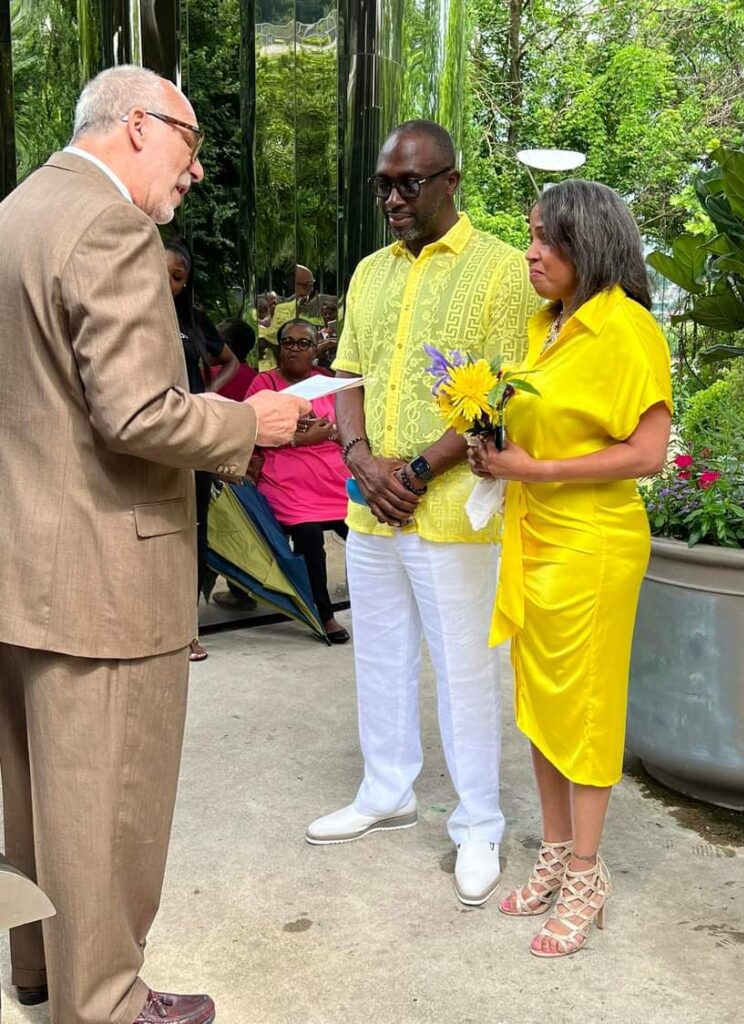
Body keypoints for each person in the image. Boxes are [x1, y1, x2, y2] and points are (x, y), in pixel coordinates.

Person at [0, 64, 308, 1024]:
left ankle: (45, 972)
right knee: (108, 805)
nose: (197, 171)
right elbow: (136, 411)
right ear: (138, 125)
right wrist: (247, 428)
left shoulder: (16, 212)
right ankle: (107, 1002)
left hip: (20, 561)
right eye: (191, 142)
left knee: (39, 796)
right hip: (101, 568)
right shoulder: (111, 226)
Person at [306, 120, 539, 907]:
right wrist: (360, 459)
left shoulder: (504, 271)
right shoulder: (371, 271)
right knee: (379, 653)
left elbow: (503, 385)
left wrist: (413, 470)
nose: (394, 199)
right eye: (384, 185)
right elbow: (347, 373)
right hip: (371, 507)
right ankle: (386, 790)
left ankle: (479, 824)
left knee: (467, 671)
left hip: (449, 513)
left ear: (451, 180)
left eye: (410, 184)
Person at [468, 180, 672, 958]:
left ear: (588, 244)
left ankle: (586, 873)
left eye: (545, 239)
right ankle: (556, 851)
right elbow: (537, 431)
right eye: (528, 235)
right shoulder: (545, 326)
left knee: (583, 711)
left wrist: (533, 471)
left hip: (592, 545)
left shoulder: (627, 330)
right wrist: (491, 443)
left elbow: (646, 454)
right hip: (535, 538)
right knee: (542, 705)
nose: (530, 252)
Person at [244, 319, 351, 643]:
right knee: (308, 535)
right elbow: (249, 430)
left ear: (316, 349)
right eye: (288, 342)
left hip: (333, 478)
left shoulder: (327, 383)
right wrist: (297, 439)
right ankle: (323, 612)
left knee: (365, 529)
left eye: (303, 343)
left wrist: (329, 432)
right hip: (286, 479)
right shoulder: (264, 384)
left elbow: (345, 425)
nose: (294, 348)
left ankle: (375, 603)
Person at [164, 238, 241, 661]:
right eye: (161, 272)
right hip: (153, 439)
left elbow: (231, 361)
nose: (167, 283)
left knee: (192, 529)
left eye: (177, 277)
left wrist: (207, 393)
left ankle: (188, 628)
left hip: (194, 438)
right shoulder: (128, 315)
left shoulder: (193, 321)